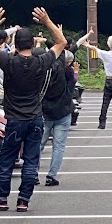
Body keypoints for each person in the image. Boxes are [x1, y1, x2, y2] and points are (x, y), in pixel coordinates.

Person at [0, 6, 67, 213]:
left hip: (15, 119)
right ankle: (24, 200)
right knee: (31, 160)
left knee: (7, 158)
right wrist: (47, 21)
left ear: (15, 44)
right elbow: (62, 42)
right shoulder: (41, 61)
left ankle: (1, 197)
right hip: (35, 118)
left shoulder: (8, 61)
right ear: (32, 44)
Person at [40, 30, 91, 187]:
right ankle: (51, 175)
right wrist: (75, 74)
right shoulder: (67, 73)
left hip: (46, 112)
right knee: (58, 146)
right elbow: (70, 90)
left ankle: (32, 173)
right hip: (62, 112)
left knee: (39, 144)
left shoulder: (45, 70)